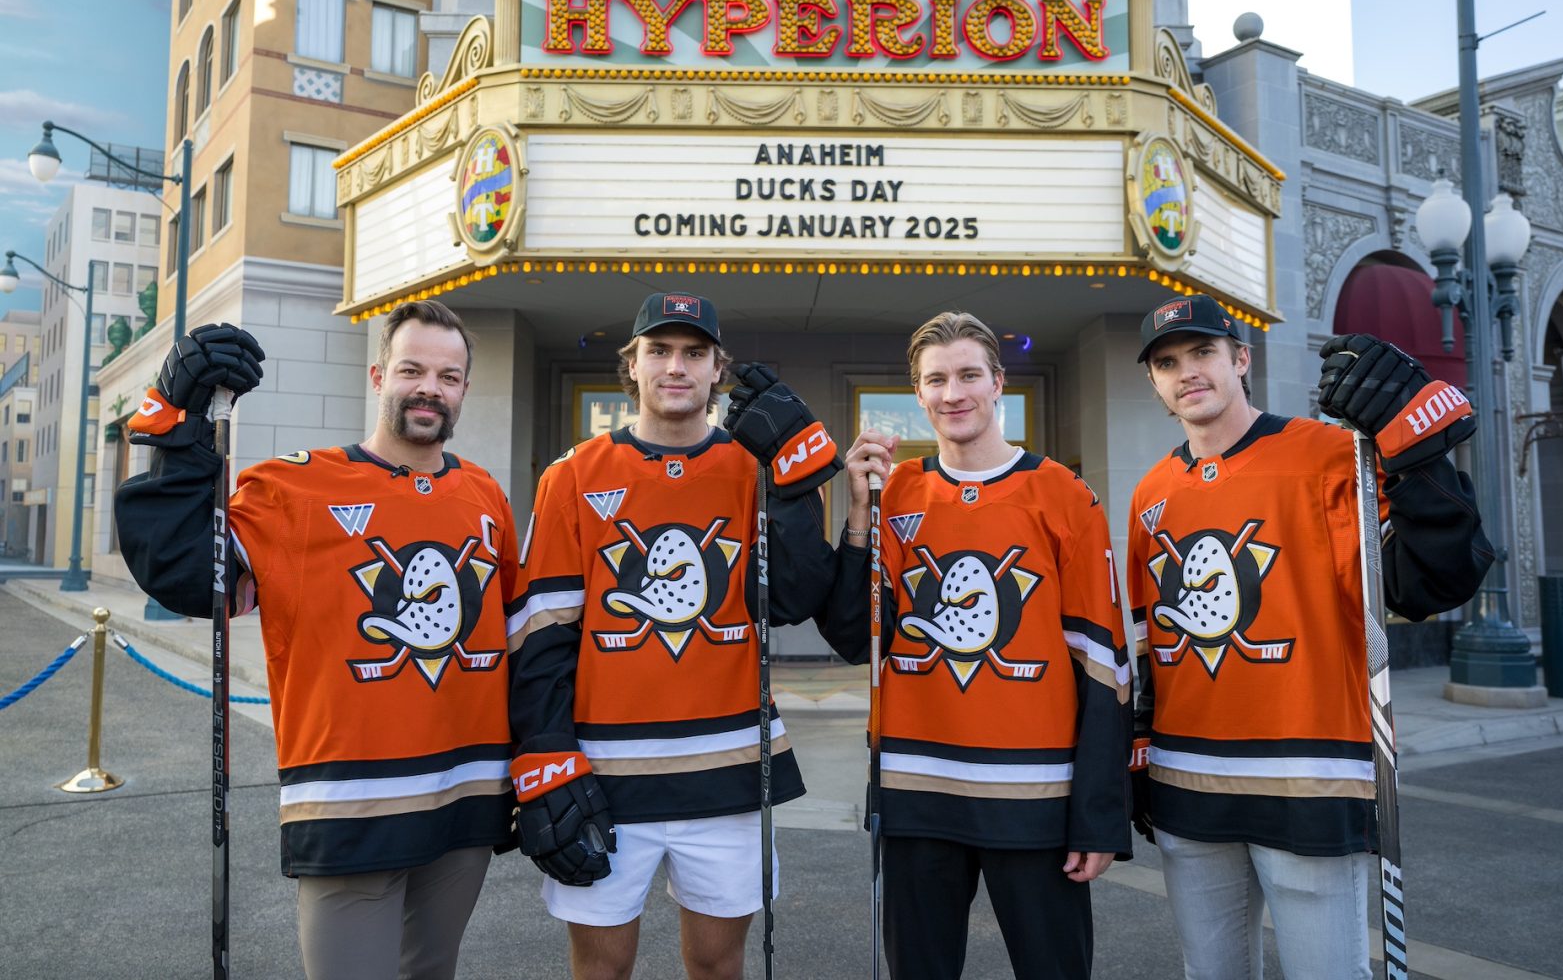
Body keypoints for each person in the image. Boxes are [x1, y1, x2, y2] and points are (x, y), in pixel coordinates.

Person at [116, 302, 520, 980]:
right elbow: (185, 572)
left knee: (432, 972)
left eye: (449, 377)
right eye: (412, 369)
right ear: (377, 375)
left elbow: (513, 636)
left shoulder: (485, 495)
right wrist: (173, 419)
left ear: (464, 391)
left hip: (469, 791)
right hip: (350, 797)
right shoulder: (293, 487)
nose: (430, 388)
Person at [1128, 293, 1493, 979]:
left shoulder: (1331, 456)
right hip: (1187, 778)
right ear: (1154, 382)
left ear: (1240, 359)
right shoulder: (1151, 493)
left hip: (1311, 774)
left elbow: (1431, 581)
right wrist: (1141, 745)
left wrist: (1415, 460)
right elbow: (1156, 639)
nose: (1187, 373)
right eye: (1168, 362)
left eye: (1203, 352)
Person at [507, 291, 845, 980]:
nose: (676, 366)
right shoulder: (571, 475)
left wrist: (794, 479)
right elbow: (544, 632)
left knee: (718, 966)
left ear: (719, 369)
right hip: (605, 772)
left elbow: (792, 598)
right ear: (631, 366)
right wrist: (545, 754)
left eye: (694, 353)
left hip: (726, 771)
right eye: (659, 351)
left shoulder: (750, 467)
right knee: (601, 969)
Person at [831, 311, 1132, 980]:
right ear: (919, 395)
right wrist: (856, 513)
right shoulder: (896, 492)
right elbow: (857, 637)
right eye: (935, 380)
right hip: (917, 790)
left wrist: (1098, 816)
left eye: (968, 375)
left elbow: (1104, 663)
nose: (952, 393)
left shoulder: (1062, 494)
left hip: (1034, 796)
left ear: (998, 383)